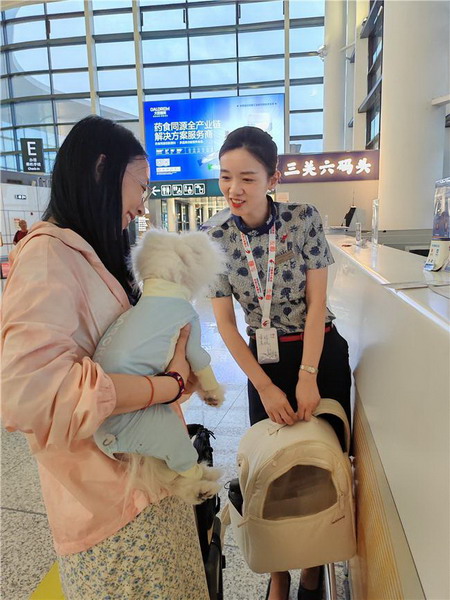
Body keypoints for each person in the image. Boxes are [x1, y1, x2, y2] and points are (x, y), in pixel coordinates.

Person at [1, 116, 209, 600]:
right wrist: (167, 386)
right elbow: (28, 393)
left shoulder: (86, 252)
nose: (142, 205)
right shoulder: (47, 256)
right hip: (113, 509)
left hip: (148, 484)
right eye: (141, 185)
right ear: (101, 169)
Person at [203, 126, 351, 600]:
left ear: (272, 178)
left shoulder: (303, 218)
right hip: (262, 362)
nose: (234, 189)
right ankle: (279, 571)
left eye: (247, 177)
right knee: (269, 469)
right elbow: (226, 324)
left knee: (316, 466)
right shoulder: (215, 237)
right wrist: (265, 387)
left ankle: (311, 566)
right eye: (226, 177)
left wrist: (308, 375)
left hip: (318, 351)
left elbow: (317, 303)